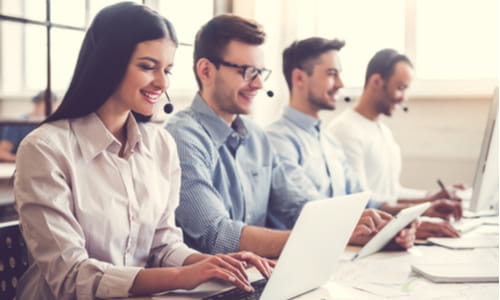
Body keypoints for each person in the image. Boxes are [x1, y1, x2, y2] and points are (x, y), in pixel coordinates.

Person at [14, 3, 273, 299]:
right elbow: (70, 276)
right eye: (148, 67)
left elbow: (163, 246)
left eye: (167, 70)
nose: (162, 83)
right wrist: (182, 276)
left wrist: (214, 264)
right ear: (108, 63)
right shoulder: (45, 150)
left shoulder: (160, 145)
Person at [165, 15, 413, 258]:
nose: (259, 84)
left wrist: (371, 228)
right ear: (206, 71)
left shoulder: (257, 138)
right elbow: (215, 235)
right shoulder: (183, 137)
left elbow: (296, 207)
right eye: (247, 71)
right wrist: (334, 233)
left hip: (257, 278)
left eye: (261, 72)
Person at [266, 37, 417, 247]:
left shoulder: (329, 142)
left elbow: (362, 200)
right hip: (307, 255)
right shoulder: (277, 141)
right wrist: (379, 231)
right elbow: (307, 210)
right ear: (299, 78)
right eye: (331, 74)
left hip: (342, 253)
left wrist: (402, 220)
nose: (340, 84)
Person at [328, 48, 462, 238]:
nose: (403, 97)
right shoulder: (345, 130)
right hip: (370, 235)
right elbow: (364, 201)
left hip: (388, 229)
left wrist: (430, 197)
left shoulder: (383, 132)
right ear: (376, 81)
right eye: (400, 88)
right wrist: (423, 210)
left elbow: (391, 191)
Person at [0, 90, 58, 162]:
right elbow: (2, 153)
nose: (51, 109)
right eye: (48, 105)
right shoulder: (18, 123)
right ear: (37, 104)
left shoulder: (52, 125)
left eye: (53, 106)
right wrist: (26, 161)